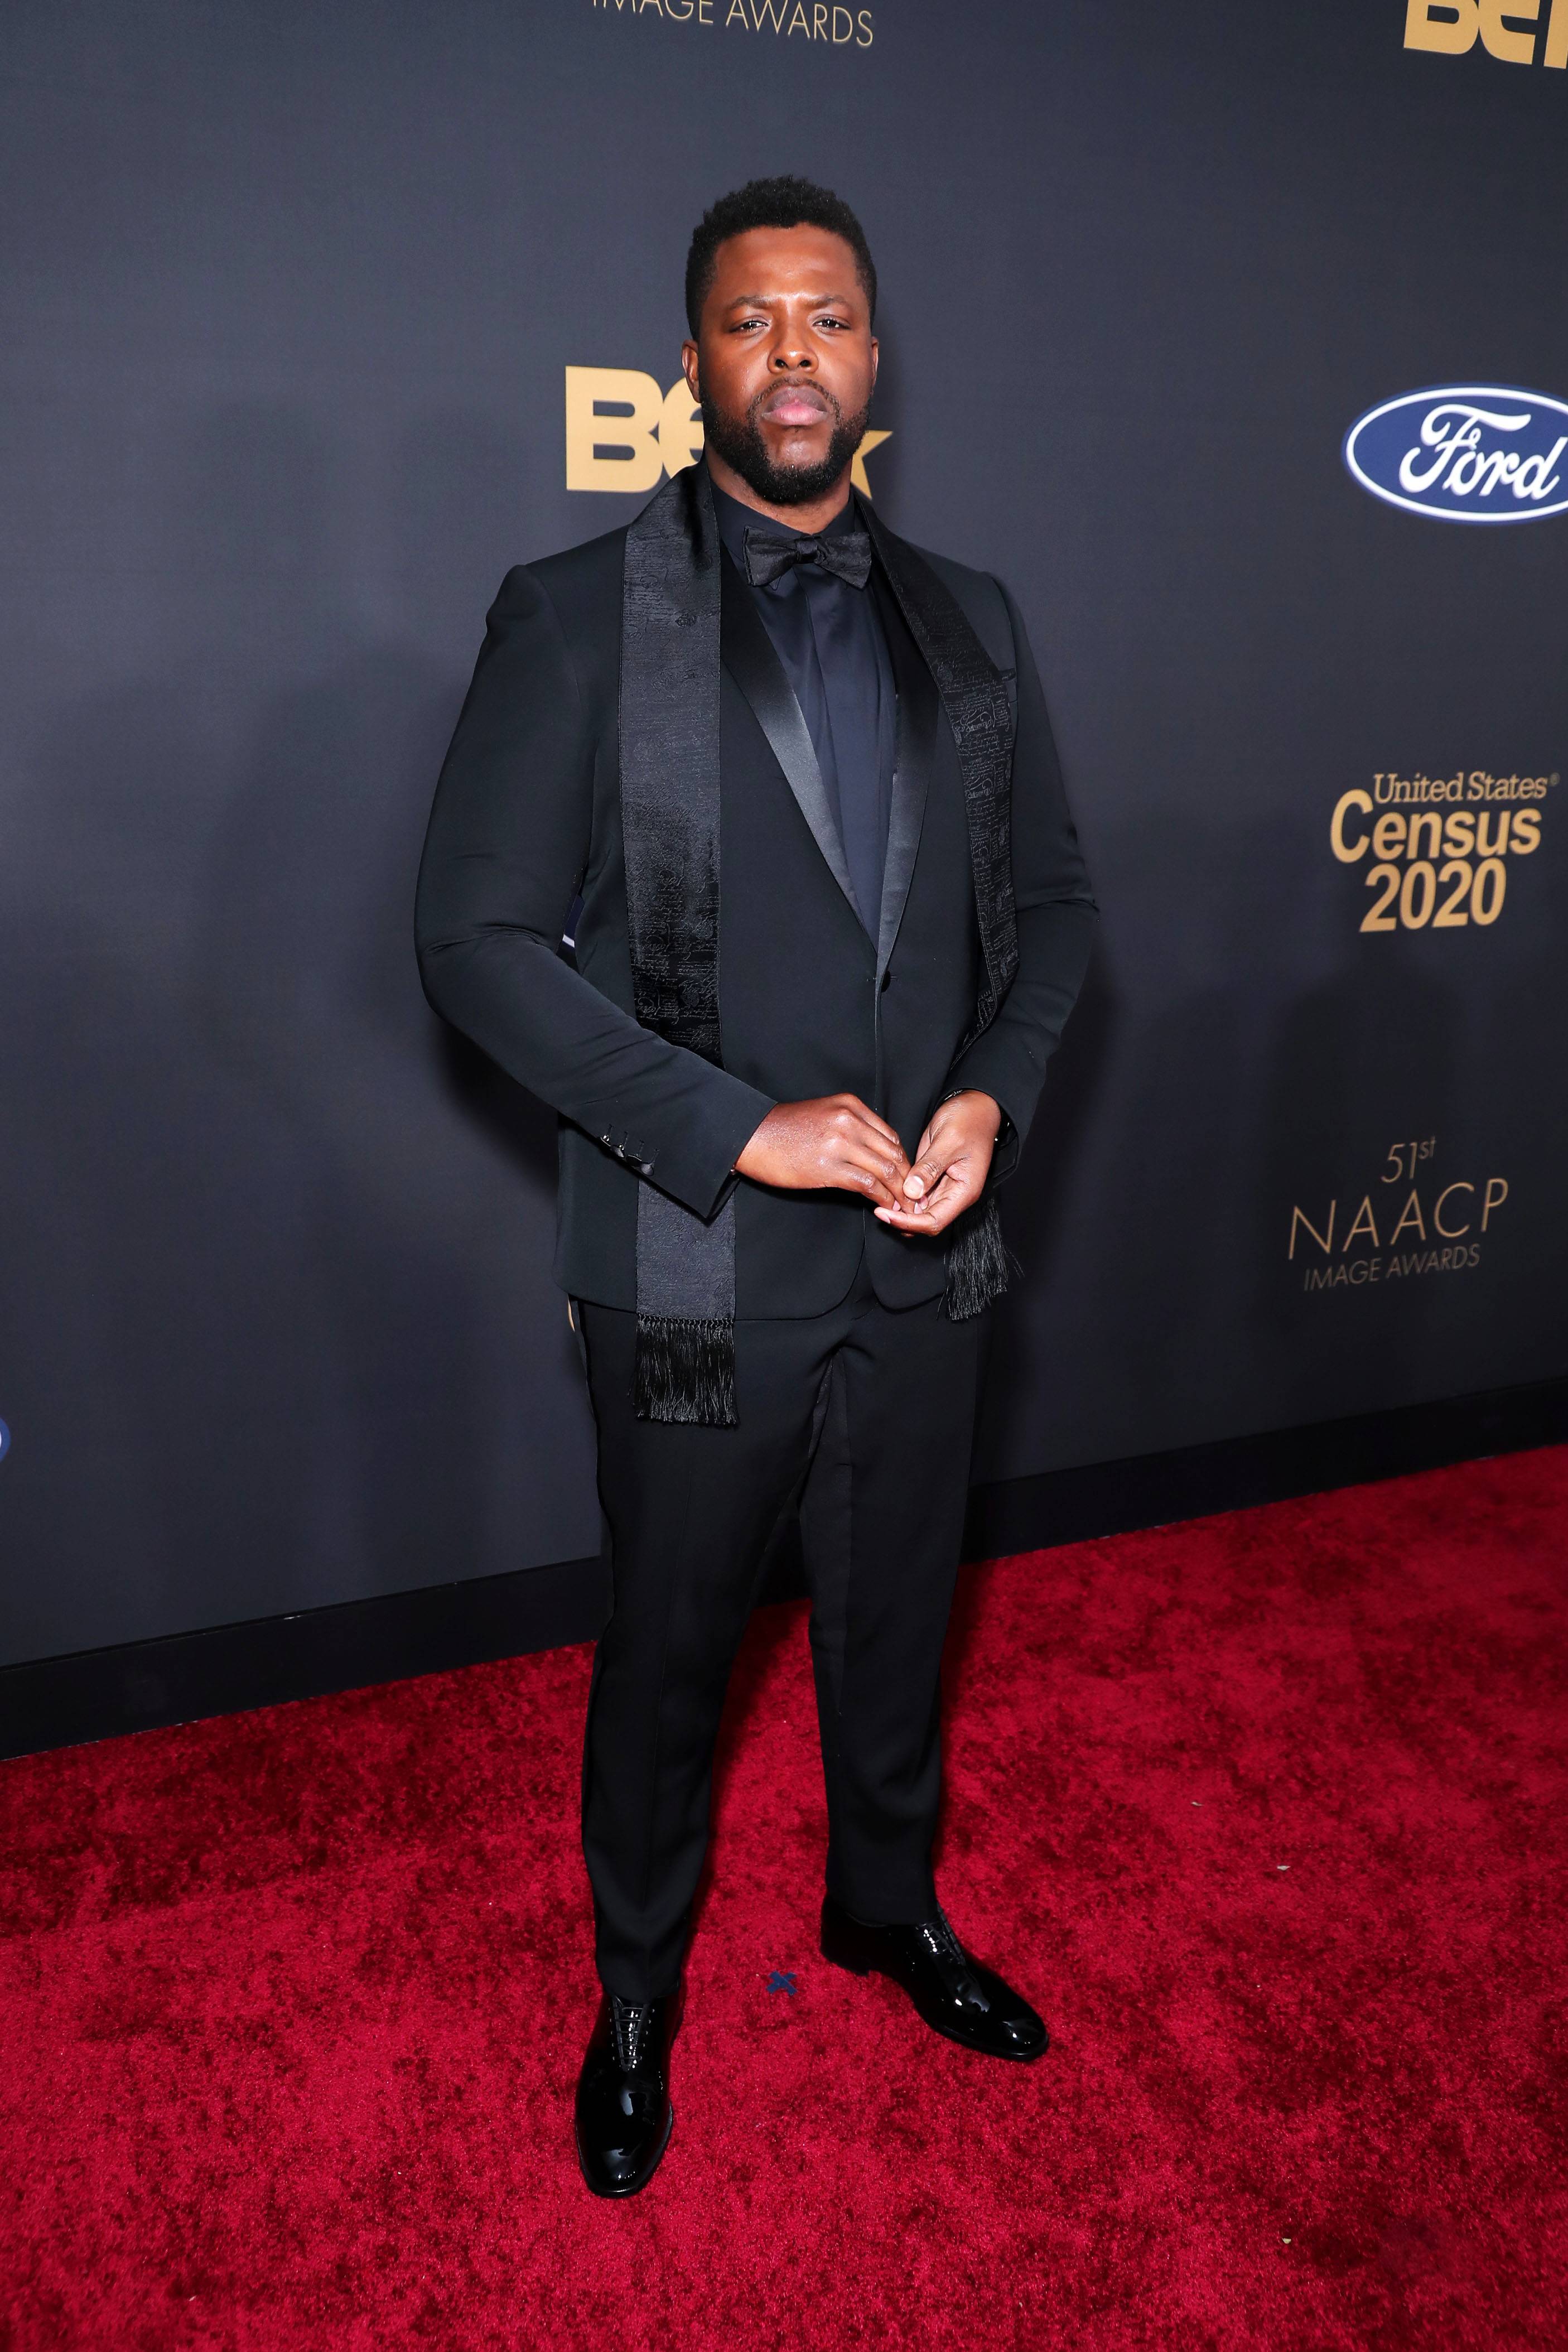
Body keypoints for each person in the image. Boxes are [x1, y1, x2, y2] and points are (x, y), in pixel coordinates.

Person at [415, 176, 1097, 2197]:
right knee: (674, 1649)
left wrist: (993, 1098)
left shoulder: (971, 614)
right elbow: (469, 946)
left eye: (828, 316)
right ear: (689, 364)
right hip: (694, 1256)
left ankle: (882, 1906)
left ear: (873, 359)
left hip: (926, 1243)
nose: (791, 349)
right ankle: (635, 1993)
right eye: (750, 318)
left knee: (900, 1617)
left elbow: (1049, 910)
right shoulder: (570, 612)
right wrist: (736, 1129)